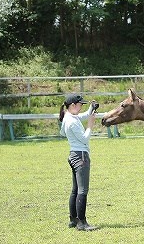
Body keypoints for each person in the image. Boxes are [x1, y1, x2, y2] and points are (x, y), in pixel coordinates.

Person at [59, 94, 99, 231]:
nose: (81, 107)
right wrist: (90, 125)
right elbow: (84, 139)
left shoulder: (68, 118)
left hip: (73, 155)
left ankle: (73, 219)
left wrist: (91, 110)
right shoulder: (72, 122)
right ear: (72, 106)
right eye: (80, 105)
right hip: (81, 156)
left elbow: (79, 117)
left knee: (75, 190)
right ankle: (82, 223)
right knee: (83, 190)